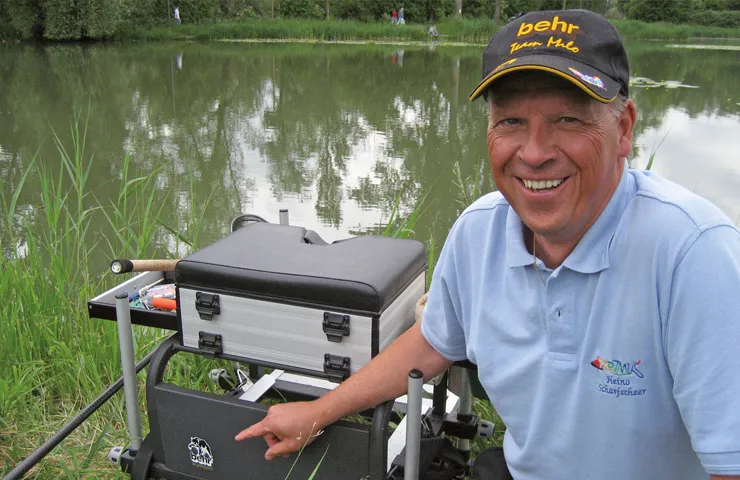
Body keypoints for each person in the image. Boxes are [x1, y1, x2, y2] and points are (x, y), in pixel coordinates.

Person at [236, 9, 740, 479]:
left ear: (624, 127)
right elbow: (435, 342)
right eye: (511, 122)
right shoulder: (478, 233)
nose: (535, 153)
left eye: (568, 120)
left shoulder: (693, 255)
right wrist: (320, 411)